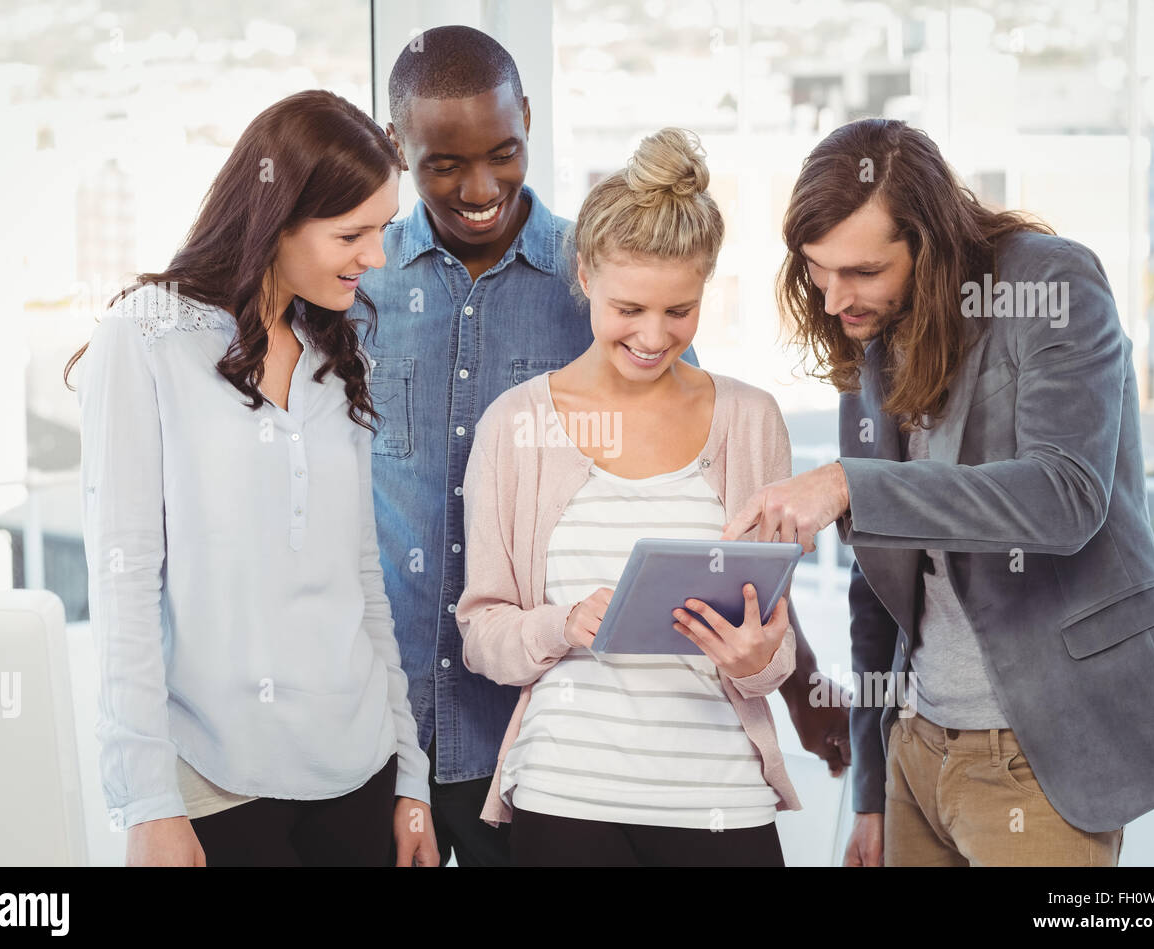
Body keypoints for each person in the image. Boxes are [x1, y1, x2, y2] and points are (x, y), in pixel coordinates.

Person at [359, 24, 849, 867]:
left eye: (503, 151)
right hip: (401, 724)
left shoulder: (614, 273)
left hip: (544, 745)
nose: (481, 186)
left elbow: (730, 550)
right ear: (399, 148)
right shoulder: (358, 283)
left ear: (530, 123)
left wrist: (793, 679)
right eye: (445, 164)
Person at [725, 117, 1154, 866]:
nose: (833, 300)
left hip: (1039, 760)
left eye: (861, 271)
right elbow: (877, 588)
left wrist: (849, 483)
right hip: (915, 752)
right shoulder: (870, 332)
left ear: (930, 244)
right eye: (818, 271)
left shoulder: (1053, 284)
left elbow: (1064, 495)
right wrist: (869, 787)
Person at [67, 90, 439, 867]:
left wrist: (413, 775)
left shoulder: (335, 354)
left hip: (360, 768)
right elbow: (125, 581)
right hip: (217, 779)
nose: (376, 256)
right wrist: (146, 804)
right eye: (352, 233)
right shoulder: (147, 337)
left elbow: (363, 580)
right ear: (277, 219)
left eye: (383, 229)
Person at [456, 128, 804, 866]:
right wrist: (562, 626)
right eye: (629, 309)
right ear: (583, 274)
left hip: (722, 798)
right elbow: (481, 633)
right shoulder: (517, 424)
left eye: (680, 311)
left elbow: (777, 652)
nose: (653, 336)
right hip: (566, 796)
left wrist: (751, 659)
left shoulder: (751, 421)